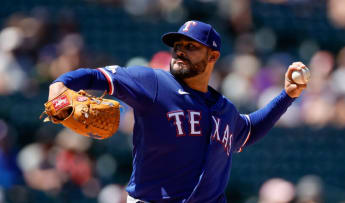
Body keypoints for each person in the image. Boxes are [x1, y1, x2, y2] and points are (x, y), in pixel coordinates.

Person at [48, 20, 307, 203]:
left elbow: (249, 130)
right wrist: (60, 85)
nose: (180, 51)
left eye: (191, 46)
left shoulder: (225, 109)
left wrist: (287, 96)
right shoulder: (153, 83)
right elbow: (96, 76)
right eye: (177, 45)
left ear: (213, 56)